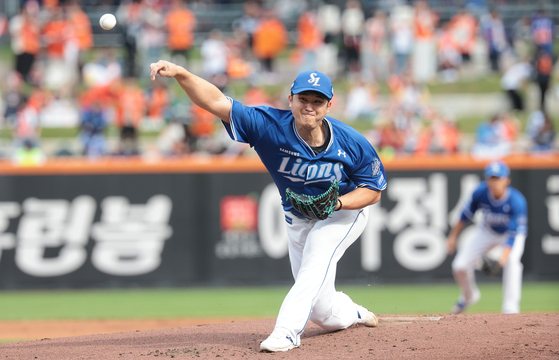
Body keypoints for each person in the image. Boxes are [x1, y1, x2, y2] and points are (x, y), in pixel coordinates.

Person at [150, 61, 387, 352]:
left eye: (317, 101)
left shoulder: (352, 142)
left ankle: (286, 332)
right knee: (324, 314)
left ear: (328, 106)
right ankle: (353, 312)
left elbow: (373, 191)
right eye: (303, 99)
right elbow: (215, 101)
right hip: (298, 217)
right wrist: (183, 74)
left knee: (318, 253)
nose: (309, 107)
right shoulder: (267, 125)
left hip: (343, 213)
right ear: (290, 100)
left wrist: (338, 203)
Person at [446, 161, 527, 314]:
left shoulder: (516, 201)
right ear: (486, 180)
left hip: (511, 236)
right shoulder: (481, 192)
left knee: (512, 263)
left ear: (507, 180)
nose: (494, 182)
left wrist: (501, 261)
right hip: (487, 231)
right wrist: (452, 236)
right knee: (460, 266)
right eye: (491, 178)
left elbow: (512, 236)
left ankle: (510, 308)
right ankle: (469, 296)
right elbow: (465, 215)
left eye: (498, 178)